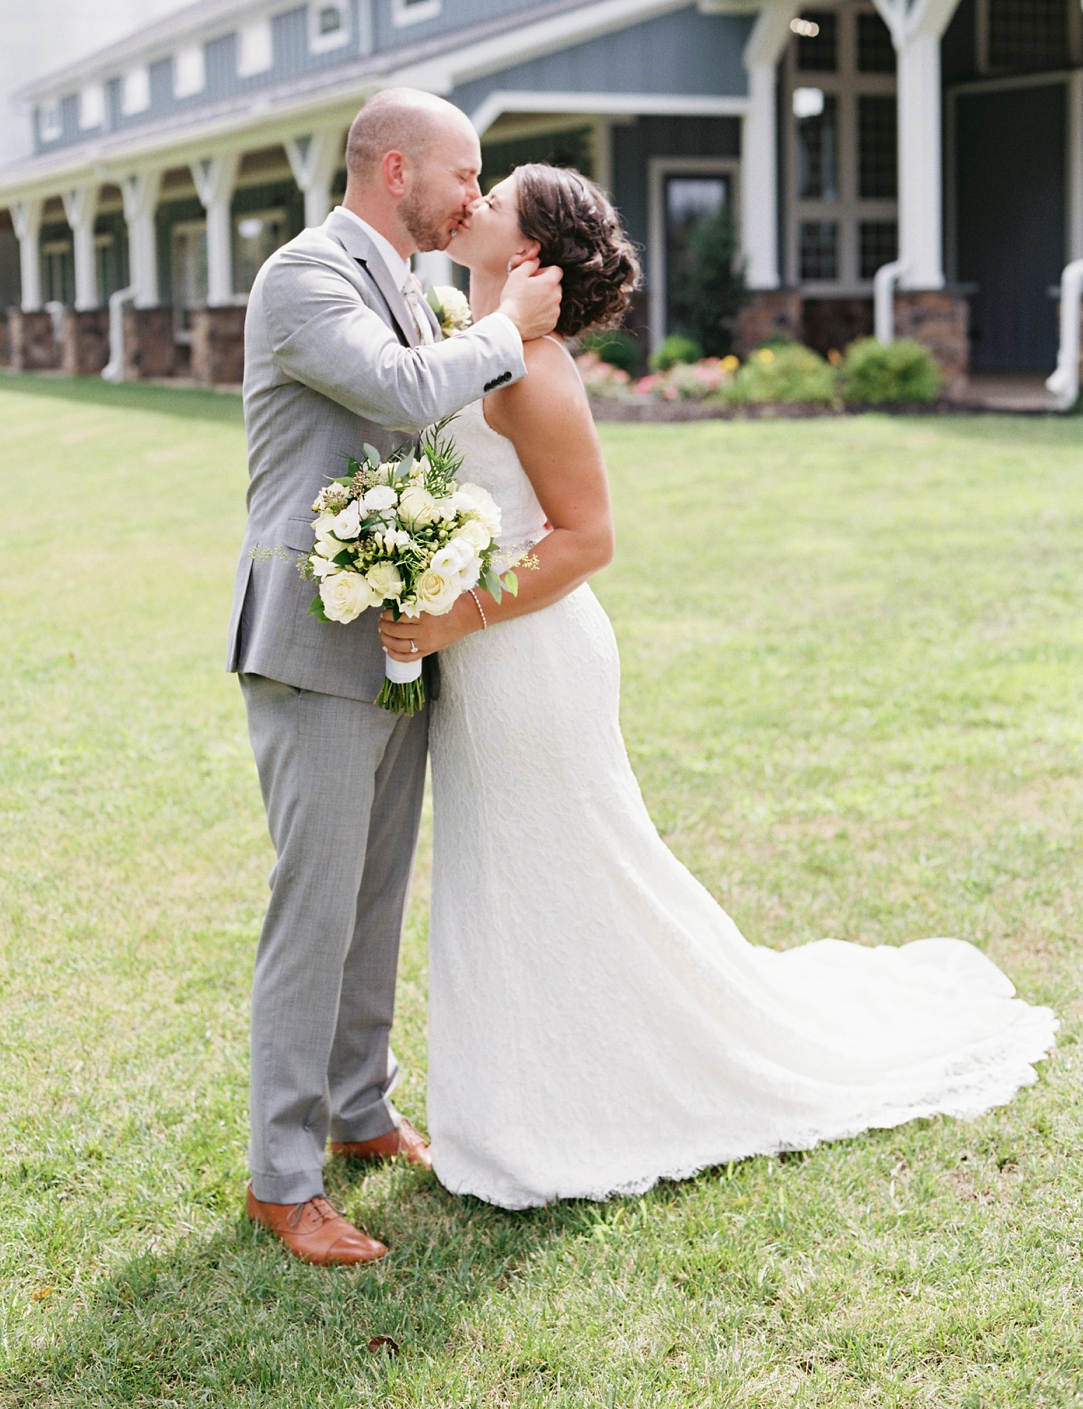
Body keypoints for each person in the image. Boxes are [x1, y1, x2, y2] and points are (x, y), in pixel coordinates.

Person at [379, 163, 1057, 1211]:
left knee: (558, 867)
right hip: (479, 652)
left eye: (497, 197)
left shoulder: (536, 373)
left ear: (527, 254)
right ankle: (523, 1100)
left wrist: (452, 615)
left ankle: (576, 1106)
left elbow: (589, 538)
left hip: (529, 659)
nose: (474, 201)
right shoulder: (469, 344)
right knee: (502, 871)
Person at [228, 90, 562, 1263]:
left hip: (399, 635)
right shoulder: (304, 276)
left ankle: (360, 1108)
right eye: (464, 174)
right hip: (311, 640)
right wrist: (508, 324)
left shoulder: (414, 288)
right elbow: (405, 392)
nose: (473, 196)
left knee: (374, 899)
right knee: (314, 908)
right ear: (397, 170)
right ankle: (284, 1180)